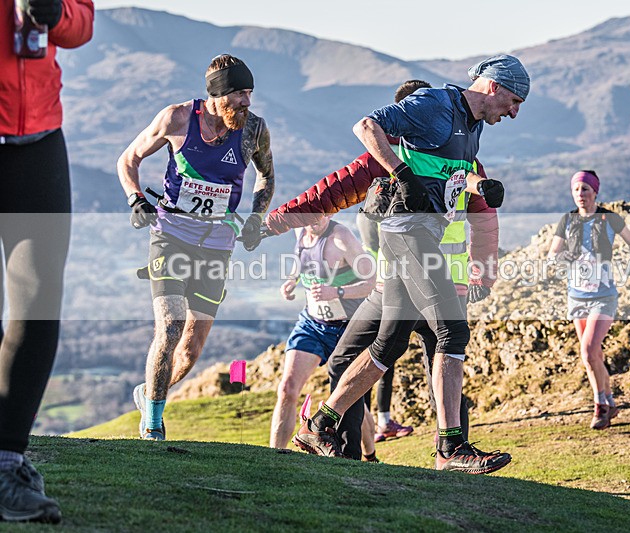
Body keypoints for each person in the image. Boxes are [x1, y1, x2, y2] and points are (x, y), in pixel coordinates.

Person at [293, 55, 527, 474]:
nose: (514, 112)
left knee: (389, 345)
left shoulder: (472, 126)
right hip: (407, 232)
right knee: (452, 331)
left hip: (422, 235)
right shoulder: (435, 104)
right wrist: (401, 173)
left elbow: (447, 172)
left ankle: (319, 424)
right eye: (513, 101)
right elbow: (365, 126)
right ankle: (451, 448)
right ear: (492, 87)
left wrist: (479, 184)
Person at [117, 54, 275, 441]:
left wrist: (256, 218)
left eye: (250, 93)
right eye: (239, 94)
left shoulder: (254, 129)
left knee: (190, 349)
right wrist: (135, 198)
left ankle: (149, 393)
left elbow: (266, 176)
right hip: (169, 236)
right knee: (169, 326)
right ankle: (153, 423)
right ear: (218, 95)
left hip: (217, 245)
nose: (247, 102)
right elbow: (129, 158)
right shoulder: (177, 119)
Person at [0, 0, 93, 523]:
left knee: (37, 300)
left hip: (36, 137)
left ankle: (7, 463)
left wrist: (54, 13)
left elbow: (83, 22)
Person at [269, 216, 376, 453]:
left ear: (329, 213)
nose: (316, 220)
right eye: (310, 215)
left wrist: (336, 291)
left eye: (322, 214)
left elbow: (373, 282)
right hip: (312, 323)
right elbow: (302, 261)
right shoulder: (299, 231)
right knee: (287, 388)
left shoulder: (342, 238)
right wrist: (292, 280)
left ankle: (370, 455)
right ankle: (274, 455)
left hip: (346, 328)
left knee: (350, 397)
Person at [547, 171, 630, 430]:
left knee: (587, 351)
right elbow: (553, 253)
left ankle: (599, 406)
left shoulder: (609, 218)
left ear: (595, 192)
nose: (581, 194)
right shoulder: (567, 220)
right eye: (576, 190)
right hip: (576, 296)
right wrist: (558, 259)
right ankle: (609, 400)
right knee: (593, 355)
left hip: (603, 295)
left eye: (585, 189)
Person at [355, 212, 415, 442]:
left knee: (377, 362)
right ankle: (376, 424)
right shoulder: (376, 236)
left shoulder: (366, 226)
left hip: (375, 303)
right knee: (379, 362)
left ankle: (376, 423)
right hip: (381, 301)